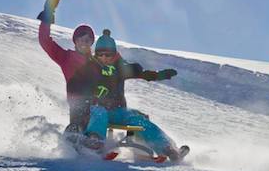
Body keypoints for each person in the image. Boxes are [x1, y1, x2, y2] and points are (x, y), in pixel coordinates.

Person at [73, 29, 189, 161]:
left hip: (118, 111)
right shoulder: (90, 67)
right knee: (100, 112)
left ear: (114, 54)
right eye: (100, 54)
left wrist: (159, 74)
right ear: (96, 54)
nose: (104, 57)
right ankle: (94, 142)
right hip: (96, 110)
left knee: (137, 119)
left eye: (108, 55)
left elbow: (142, 74)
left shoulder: (120, 68)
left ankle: (168, 149)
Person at [37, 4, 96, 132]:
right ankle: (73, 137)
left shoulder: (97, 62)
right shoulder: (66, 57)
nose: (84, 43)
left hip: (97, 107)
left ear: (91, 43)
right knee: (80, 119)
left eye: (87, 41)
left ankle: (101, 142)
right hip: (78, 104)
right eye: (80, 40)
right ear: (75, 42)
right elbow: (45, 41)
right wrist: (47, 17)